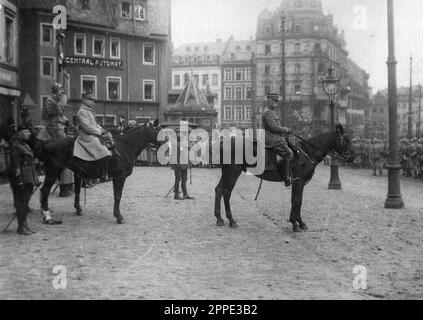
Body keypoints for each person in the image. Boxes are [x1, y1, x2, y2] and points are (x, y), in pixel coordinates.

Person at [36, 83, 74, 197]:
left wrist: (67, 122)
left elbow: (62, 115)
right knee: (62, 152)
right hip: (53, 127)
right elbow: (51, 115)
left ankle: (66, 185)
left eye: (62, 90)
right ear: (56, 91)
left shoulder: (58, 101)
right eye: (61, 90)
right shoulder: (50, 101)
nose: (62, 92)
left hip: (60, 127)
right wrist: (57, 103)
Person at [73, 92, 112, 182]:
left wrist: (102, 130)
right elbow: (87, 127)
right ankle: (99, 174)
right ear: (84, 100)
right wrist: (99, 132)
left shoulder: (89, 110)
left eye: (92, 100)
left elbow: (94, 124)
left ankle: (104, 171)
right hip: (85, 136)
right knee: (102, 148)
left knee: (108, 141)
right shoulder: (82, 111)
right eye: (89, 99)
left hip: (92, 133)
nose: (92, 101)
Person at [7, 125, 39, 235]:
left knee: (25, 203)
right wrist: (19, 180)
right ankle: (21, 227)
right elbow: (15, 166)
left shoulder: (24, 145)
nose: (29, 134)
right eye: (26, 132)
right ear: (20, 133)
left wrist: (35, 179)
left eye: (29, 132)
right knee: (21, 202)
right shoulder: (15, 146)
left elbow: (31, 163)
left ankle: (25, 225)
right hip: (21, 178)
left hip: (28, 176)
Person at [262, 96, 294, 187]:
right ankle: (286, 178)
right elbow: (273, 127)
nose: (276, 103)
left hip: (276, 136)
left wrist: (285, 131)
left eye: (277, 101)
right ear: (269, 101)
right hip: (271, 137)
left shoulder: (272, 113)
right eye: (274, 101)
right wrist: (285, 129)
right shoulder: (268, 113)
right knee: (289, 153)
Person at [170, 129, 194, 200]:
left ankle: (185, 194)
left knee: (184, 179)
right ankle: (176, 194)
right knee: (178, 179)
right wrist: (177, 163)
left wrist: (189, 163)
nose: (180, 135)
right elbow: (174, 155)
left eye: (181, 133)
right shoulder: (175, 143)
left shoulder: (183, 143)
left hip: (184, 165)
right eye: (178, 133)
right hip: (178, 165)